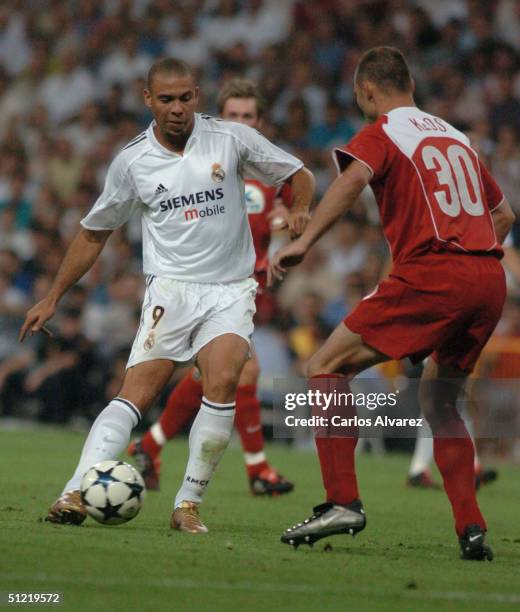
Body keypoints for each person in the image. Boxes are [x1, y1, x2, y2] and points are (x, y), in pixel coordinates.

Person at [20, 58, 315, 533]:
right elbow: (94, 232)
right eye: (166, 100)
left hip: (230, 291)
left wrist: (300, 211)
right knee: (135, 394)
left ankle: (187, 505)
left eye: (185, 98)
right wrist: (54, 294)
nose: (177, 109)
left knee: (222, 385)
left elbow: (299, 173)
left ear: (196, 96)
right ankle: (73, 490)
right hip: (171, 291)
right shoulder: (132, 161)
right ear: (148, 100)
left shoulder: (231, 138)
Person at [269, 46, 515, 560]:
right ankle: (472, 529)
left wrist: (304, 240)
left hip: (433, 273)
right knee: (440, 403)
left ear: (368, 90)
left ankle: (342, 502)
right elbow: (505, 215)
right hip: (487, 278)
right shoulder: (455, 136)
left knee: (325, 366)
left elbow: (353, 180)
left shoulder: (383, 132)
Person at [128, 78, 299, 496]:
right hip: (193, 286)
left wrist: (283, 238)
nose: (241, 122)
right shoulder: (197, 163)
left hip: (243, 289)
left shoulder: (271, 175)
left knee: (215, 375)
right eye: (233, 116)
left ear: (259, 122)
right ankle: (257, 467)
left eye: (248, 116)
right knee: (240, 371)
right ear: (220, 118)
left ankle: (150, 444)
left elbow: (288, 222)